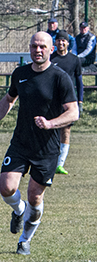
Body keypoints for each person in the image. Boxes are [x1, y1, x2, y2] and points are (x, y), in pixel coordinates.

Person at [0, 32, 78, 256]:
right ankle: (19, 210)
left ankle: (25, 240)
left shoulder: (60, 78)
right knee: (6, 187)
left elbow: (73, 113)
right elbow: (9, 99)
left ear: (51, 50)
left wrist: (50, 124)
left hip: (47, 149)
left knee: (35, 197)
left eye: (42, 46)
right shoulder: (20, 74)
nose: (37, 50)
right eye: (33, 46)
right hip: (21, 142)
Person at [51, 31, 83, 175]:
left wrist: (80, 100)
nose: (61, 43)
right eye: (58, 40)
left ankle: (60, 163)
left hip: (68, 100)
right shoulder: (50, 58)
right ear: (55, 43)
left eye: (63, 41)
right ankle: (49, 160)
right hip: (51, 99)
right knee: (51, 129)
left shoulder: (74, 59)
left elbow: (79, 81)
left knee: (66, 130)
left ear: (68, 43)